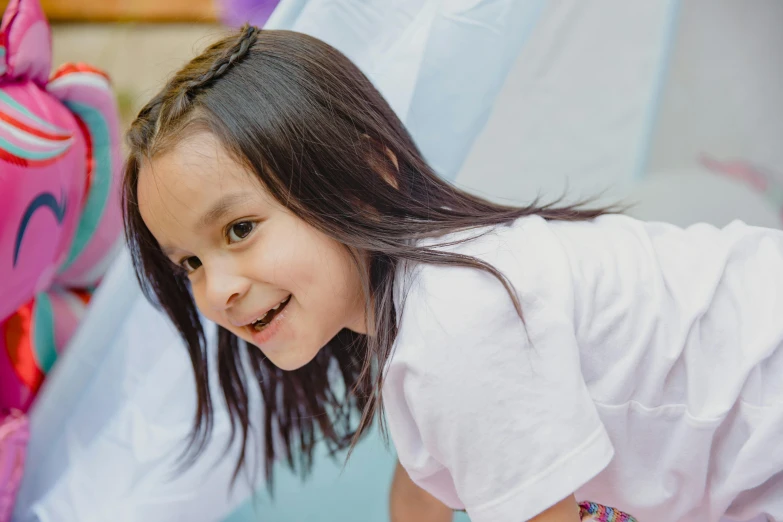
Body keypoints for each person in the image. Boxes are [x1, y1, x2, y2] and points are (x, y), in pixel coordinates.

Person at [122, 24, 783, 522]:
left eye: (240, 229)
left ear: (364, 176)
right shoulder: (431, 311)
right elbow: (421, 488)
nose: (218, 289)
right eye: (189, 263)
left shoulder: (455, 328)